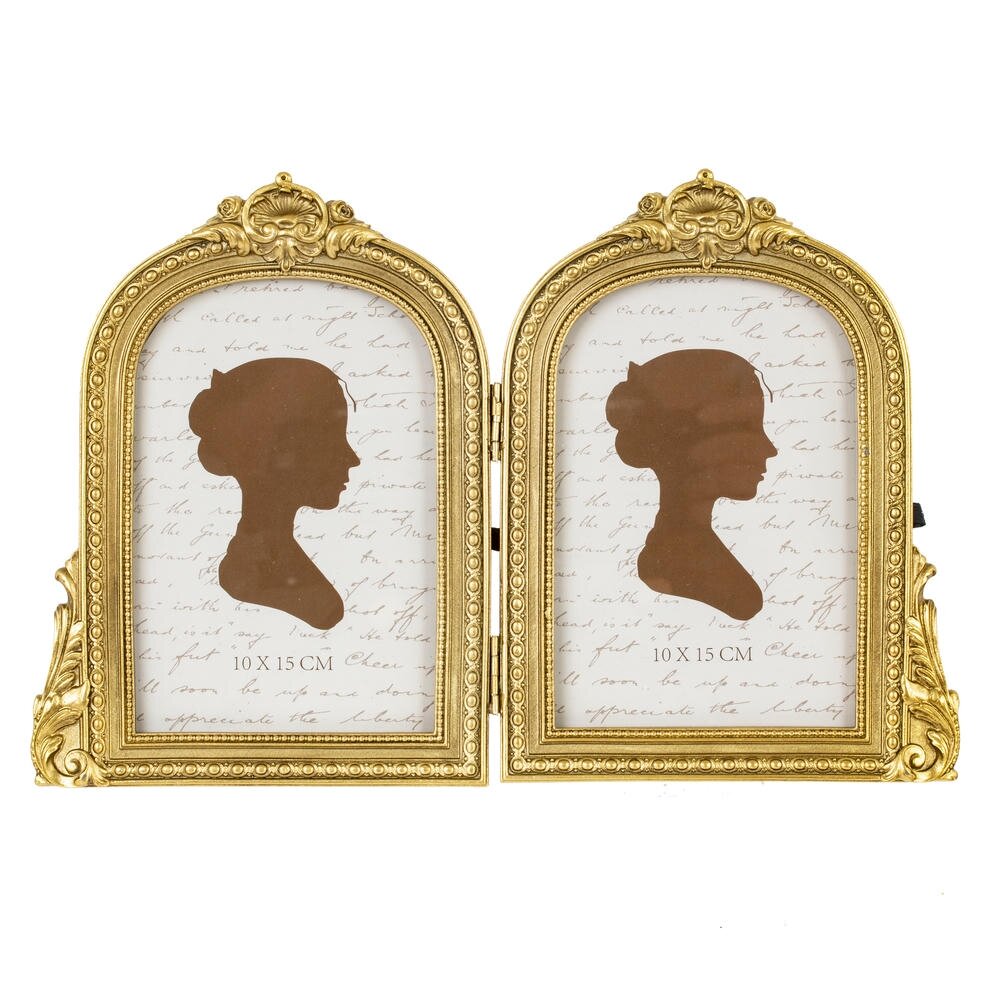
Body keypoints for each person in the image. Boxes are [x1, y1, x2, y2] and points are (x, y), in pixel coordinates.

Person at [605, 349, 777, 620]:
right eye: (748, 429)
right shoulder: (676, 560)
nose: (770, 449)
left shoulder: (687, 551)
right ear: (691, 441)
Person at [189, 357, 360, 629]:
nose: (352, 459)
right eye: (330, 438)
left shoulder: (270, 560)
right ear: (277, 454)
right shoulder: (249, 570)